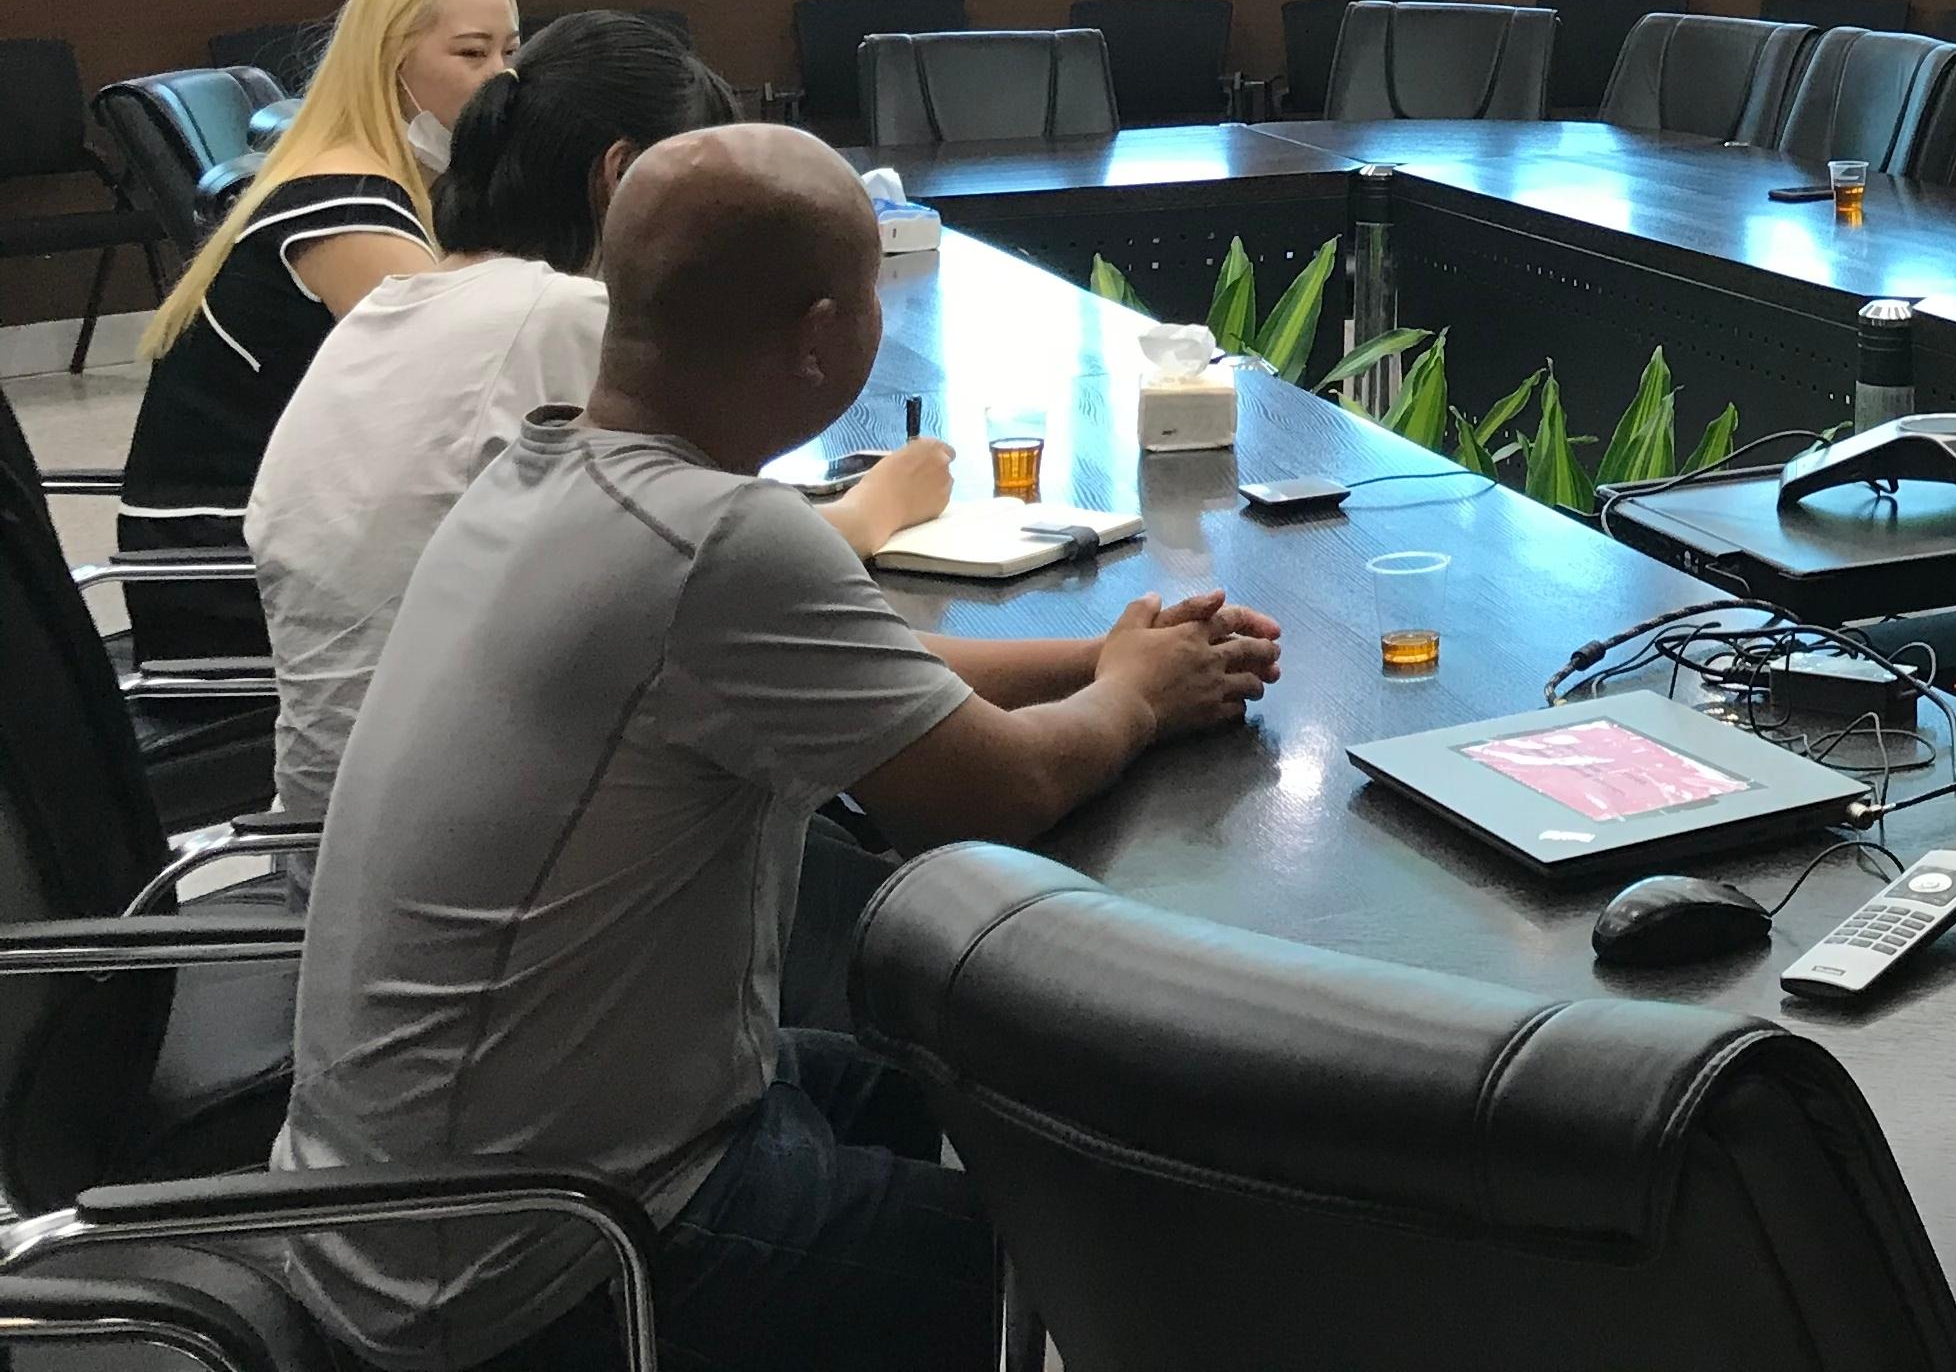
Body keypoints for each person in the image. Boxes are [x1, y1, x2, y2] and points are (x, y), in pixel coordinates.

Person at [275, 125, 1283, 1372]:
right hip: (538, 1269)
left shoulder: (547, 470)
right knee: (1121, 1274)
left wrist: (1107, 661)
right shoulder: (720, 540)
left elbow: (858, 671)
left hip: (411, 1198)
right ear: (820, 335)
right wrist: (1132, 703)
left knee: (982, 1088)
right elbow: (999, 791)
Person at [248, 11, 955, 824]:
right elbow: (723, 564)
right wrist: (875, 507)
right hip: (478, 822)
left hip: (337, 823)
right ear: (622, 178)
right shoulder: (567, 320)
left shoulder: (396, 305)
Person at [119, 0, 520, 654]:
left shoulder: (370, 181)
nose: (503, 81)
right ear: (386, 62)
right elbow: (468, 397)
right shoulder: (348, 209)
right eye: (472, 53)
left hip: (274, 539)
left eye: (510, 53)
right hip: (233, 570)